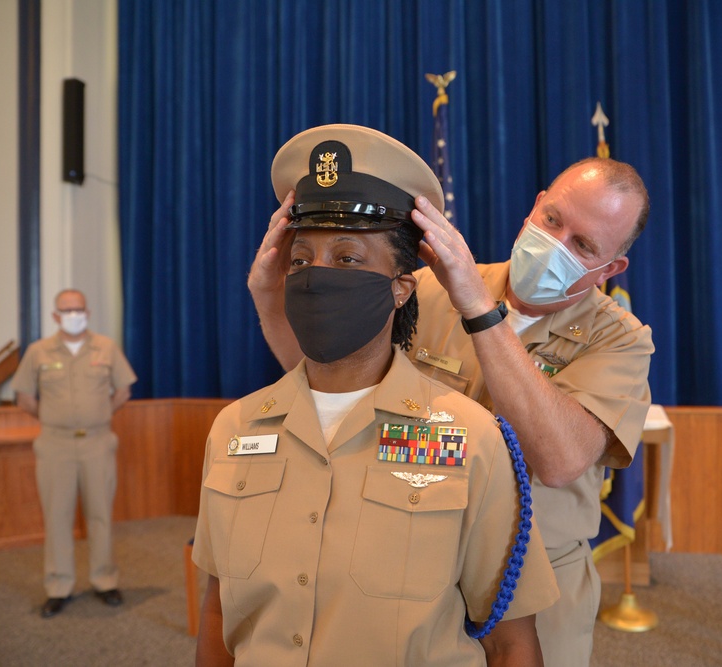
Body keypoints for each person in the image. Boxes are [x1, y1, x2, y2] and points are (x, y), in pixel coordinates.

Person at [250, 153, 654, 665]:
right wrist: (268, 298)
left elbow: (559, 460)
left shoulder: (621, 340)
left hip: (533, 580)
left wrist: (481, 312)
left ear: (610, 268)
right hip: (411, 567)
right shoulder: (434, 288)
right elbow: (333, 382)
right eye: (553, 219)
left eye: (583, 245)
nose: (556, 243)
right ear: (535, 206)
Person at [193, 124, 559, 666]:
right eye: (300, 261)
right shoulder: (234, 429)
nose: (317, 277)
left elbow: (510, 642)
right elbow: (219, 615)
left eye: (347, 259)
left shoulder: (469, 437)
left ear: (401, 287)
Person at [12, 289, 137, 618]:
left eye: (78, 308)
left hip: (98, 442)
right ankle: (58, 586)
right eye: (66, 310)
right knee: (57, 517)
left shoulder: (106, 348)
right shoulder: (38, 352)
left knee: (100, 514)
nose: (73, 314)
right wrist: (55, 420)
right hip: (55, 445)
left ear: (87, 311)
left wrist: (100, 416)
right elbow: (24, 397)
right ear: (55, 316)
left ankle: (105, 580)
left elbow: (123, 390)